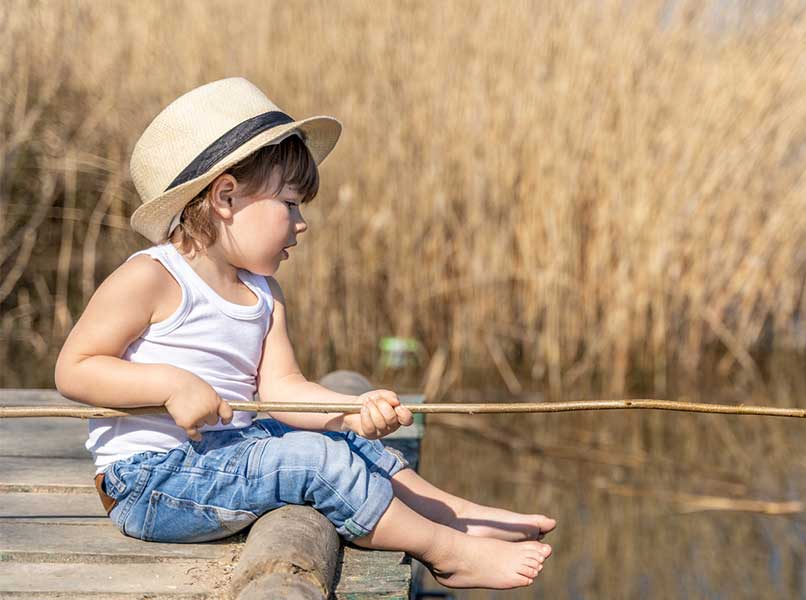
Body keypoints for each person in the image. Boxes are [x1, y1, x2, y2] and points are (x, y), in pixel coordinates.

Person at [53, 77, 555, 589]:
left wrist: (350, 412)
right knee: (312, 459)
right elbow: (75, 368)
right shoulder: (152, 276)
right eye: (290, 204)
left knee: (336, 437)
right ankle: (446, 552)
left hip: (227, 454)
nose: (301, 224)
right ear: (226, 196)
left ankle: (449, 511)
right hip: (150, 483)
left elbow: (283, 392)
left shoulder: (264, 292)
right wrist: (170, 384)